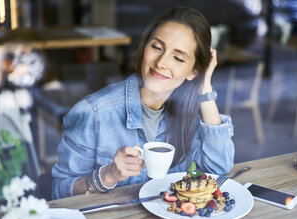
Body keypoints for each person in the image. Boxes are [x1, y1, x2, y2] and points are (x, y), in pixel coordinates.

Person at [52, 7, 235, 199]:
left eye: (178, 57)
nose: (161, 62)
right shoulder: (93, 112)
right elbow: (58, 191)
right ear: (144, 47)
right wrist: (107, 175)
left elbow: (218, 170)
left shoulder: (191, 113)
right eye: (156, 47)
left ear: (193, 72)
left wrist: (205, 88)